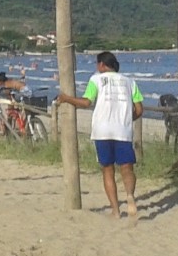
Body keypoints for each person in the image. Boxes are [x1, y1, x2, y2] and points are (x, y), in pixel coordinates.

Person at [54, 51, 144, 223]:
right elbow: (139, 110)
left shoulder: (96, 79)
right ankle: (130, 195)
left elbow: (86, 102)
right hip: (123, 130)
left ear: (102, 64)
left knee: (108, 169)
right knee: (127, 168)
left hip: (102, 130)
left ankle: (116, 210)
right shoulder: (130, 82)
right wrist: (127, 119)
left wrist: (66, 98)